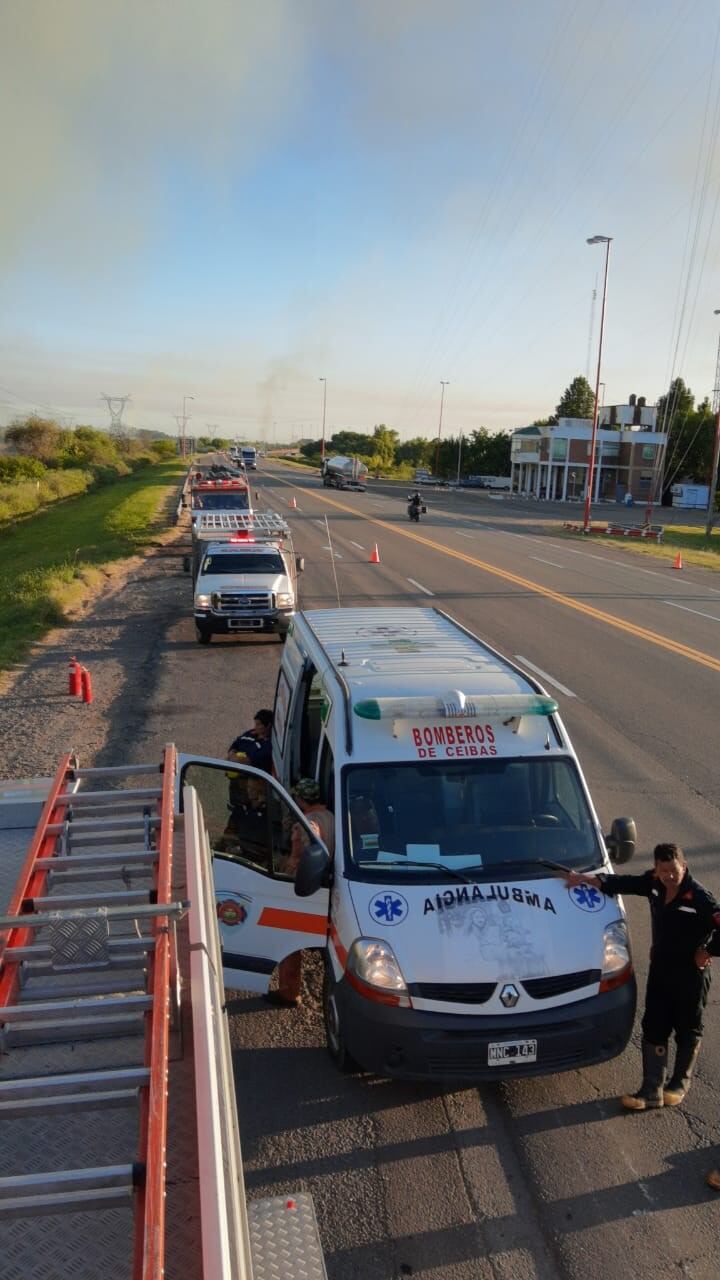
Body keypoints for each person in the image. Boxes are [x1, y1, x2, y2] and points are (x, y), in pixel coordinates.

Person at [565, 843, 720, 1111]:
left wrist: (707, 951)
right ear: (656, 870)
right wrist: (589, 880)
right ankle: (651, 1091)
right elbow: (626, 883)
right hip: (661, 972)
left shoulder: (699, 898)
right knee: (654, 1026)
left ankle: (679, 1084)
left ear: (683, 866)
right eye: (663, 871)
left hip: (690, 977)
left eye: (674, 870)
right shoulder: (654, 884)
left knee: (687, 1028)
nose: (669, 876)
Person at [265, 778, 335, 1008]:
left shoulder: (306, 824)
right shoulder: (332, 817)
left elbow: (301, 856)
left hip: (301, 887)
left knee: (289, 941)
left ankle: (289, 992)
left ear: (301, 800)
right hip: (326, 885)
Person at [227, 709, 273, 777]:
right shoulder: (250, 733)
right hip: (233, 773)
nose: (255, 727)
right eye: (255, 724)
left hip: (249, 780)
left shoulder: (267, 745)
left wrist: (232, 759)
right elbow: (234, 745)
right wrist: (232, 755)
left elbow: (248, 761)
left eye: (258, 724)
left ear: (268, 726)